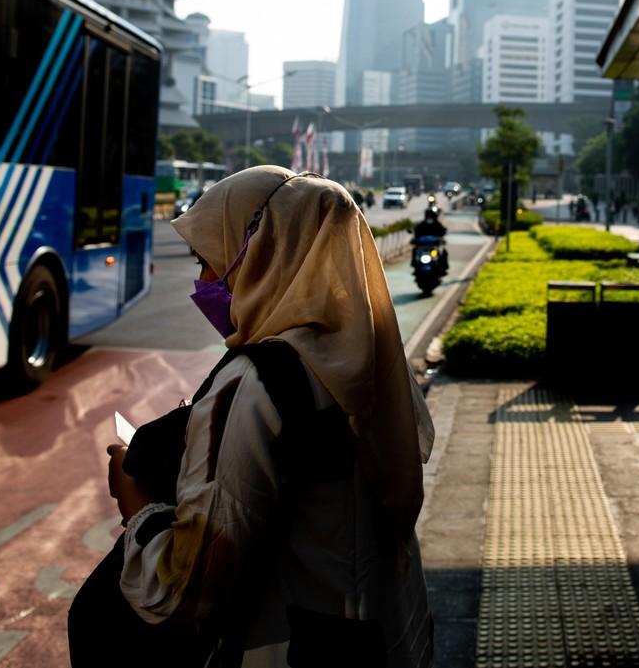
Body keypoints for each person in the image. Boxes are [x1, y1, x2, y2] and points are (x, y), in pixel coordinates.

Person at [86, 167, 435, 667]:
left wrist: (135, 504)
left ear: (263, 255)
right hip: (394, 634)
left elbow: (188, 586)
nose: (204, 282)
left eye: (210, 262)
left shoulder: (258, 384)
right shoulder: (375, 361)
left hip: (297, 648)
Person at [412, 207, 448, 272]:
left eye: (431, 215)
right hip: (422, 248)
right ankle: (414, 265)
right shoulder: (421, 225)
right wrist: (414, 240)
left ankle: (443, 268)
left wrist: (441, 239)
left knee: (444, 252)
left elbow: (443, 231)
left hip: (434, 247)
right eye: (428, 215)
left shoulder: (437, 224)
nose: (429, 218)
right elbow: (416, 232)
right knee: (414, 251)